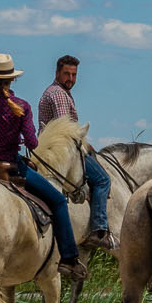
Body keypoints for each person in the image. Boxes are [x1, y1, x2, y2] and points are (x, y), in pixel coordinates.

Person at [0, 53, 87, 281]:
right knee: (59, 201)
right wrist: (14, 133)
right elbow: (32, 143)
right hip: (12, 166)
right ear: (13, 79)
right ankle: (69, 258)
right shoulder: (22, 106)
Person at [37, 54, 115, 250]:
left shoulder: (54, 91)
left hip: (49, 152)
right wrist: (86, 147)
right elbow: (67, 132)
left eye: (74, 75)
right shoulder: (59, 94)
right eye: (66, 74)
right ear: (57, 72)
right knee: (103, 179)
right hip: (62, 153)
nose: (70, 79)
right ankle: (99, 230)